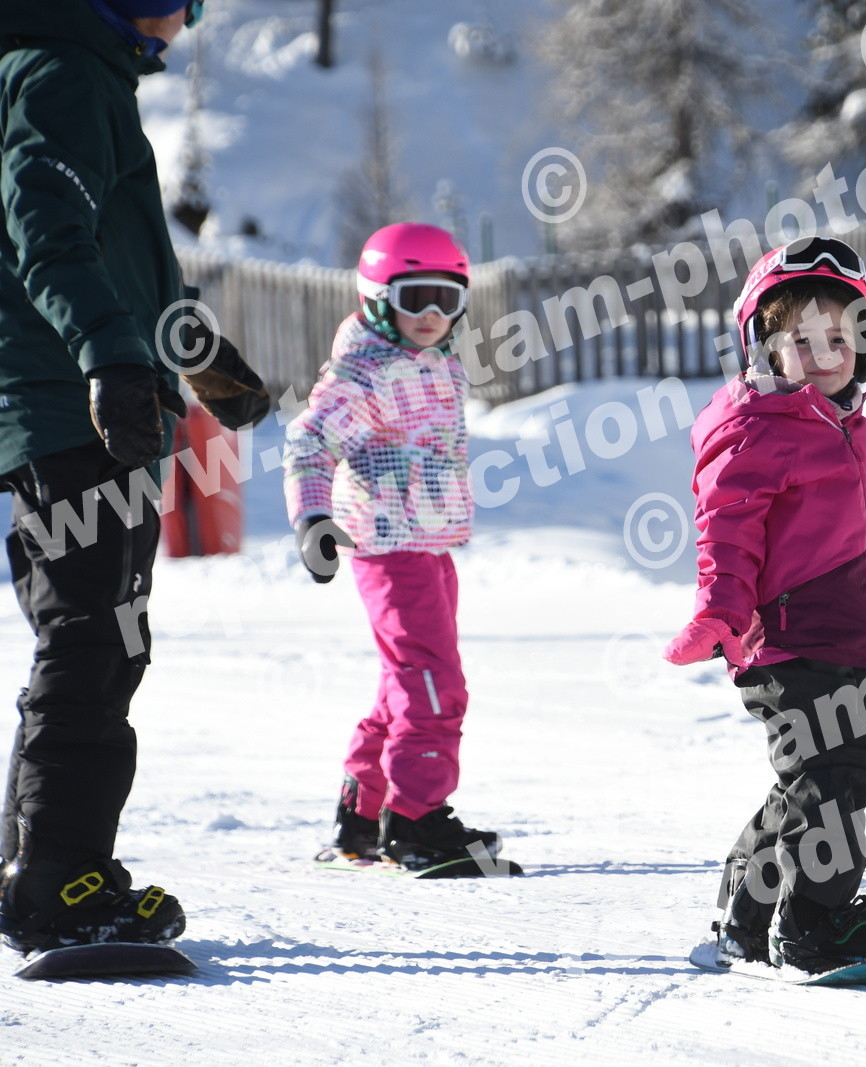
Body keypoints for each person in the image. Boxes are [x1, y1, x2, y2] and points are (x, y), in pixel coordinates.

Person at [0, 0, 271, 953]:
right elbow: (47, 232)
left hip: (70, 405)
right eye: (168, 0)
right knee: (94, 640)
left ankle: (32, 862)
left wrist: (195, 355)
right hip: (72, 410)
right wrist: (112, 362)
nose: (179, 22)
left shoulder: (76, 77)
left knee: (88, 638)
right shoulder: (64, 74)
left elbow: (123, 263)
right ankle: (57, 883)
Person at [663, 236, 866, 974]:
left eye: (838, 337)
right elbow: (727, 531)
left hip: (842, 643)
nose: (822, 353)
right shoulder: (755, 429)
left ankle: (747, 917)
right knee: (837, 778)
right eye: (799, 340)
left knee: (808, 782)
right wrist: (720, 610)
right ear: (762, 347)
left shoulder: (852, 435)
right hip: (786, 642)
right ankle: (813, 926)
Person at [285, 222, 504, 874]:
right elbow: (309, 442)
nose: (432, 314)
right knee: (433, 682)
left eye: (447, 298)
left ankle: (363, 814)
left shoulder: (436, 360)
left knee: (403, 682)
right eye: (416, 298)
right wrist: (313, 517)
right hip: (389, 547)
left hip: (430, 545)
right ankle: (416, 822)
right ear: (378, 299)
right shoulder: (366, 374)